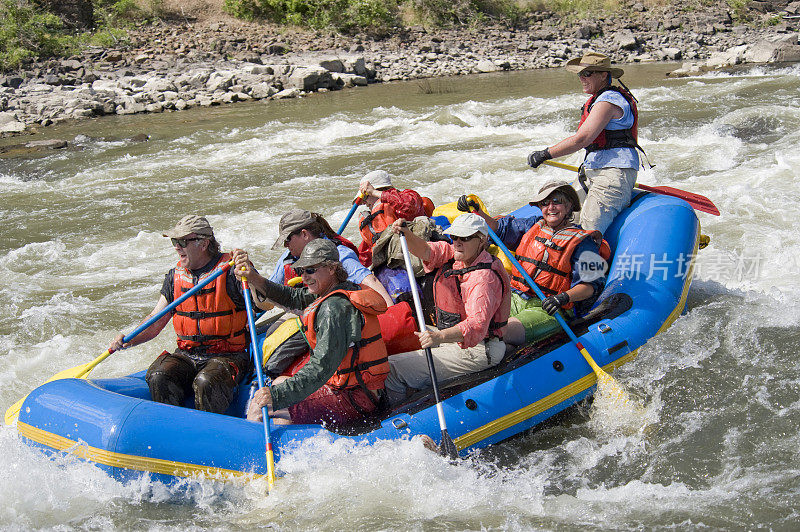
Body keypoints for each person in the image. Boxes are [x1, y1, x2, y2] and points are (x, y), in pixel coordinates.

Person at [233, 239, 390, 427]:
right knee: (280, 382)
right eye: (301, 271)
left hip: (354, 398)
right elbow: (292, 297)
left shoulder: (335, 309)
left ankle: (251, 448)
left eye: (310, 270)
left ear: (331, 268)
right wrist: (254, 278)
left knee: (261, 407)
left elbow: (321, 367)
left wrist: (277, 396)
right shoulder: (334, 290)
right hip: (346, 387)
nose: (304, 277)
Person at [109, 215, 253, 414]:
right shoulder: (174, 277)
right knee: (159, 374)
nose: (176, 247)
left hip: (228, 356)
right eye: (174, 241)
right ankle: (172, 430)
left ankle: (207, 433)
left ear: (203, 243)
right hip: (188, 355)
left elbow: (265, 303)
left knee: (206, 381)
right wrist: (128, 340)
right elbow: (155, 321)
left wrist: (250, 275)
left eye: (182, 242)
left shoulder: (231, 271)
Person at [383, 213, 511, 405]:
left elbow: (476, 326)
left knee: (392, 369)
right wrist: (407, 234)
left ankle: (396, 417)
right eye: (455, 237)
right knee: (396, 340)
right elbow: (426, 251)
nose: (458, 242)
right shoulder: (456, 255)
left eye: (465, 238)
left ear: (482, 240)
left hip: (478, 349)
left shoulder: (484, 278)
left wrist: (438, 337)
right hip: (454, 338)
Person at [463, 180, 609, 346]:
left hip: (550, 308)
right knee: (474, 322)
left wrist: (562, 298)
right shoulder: (532, 225)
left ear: (569, 205)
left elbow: (590, 286)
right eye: (545, 203)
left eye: (557, 201)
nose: (550, 207)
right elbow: (498, 228)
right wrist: (477, 211)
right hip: (514, 297)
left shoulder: (584, 242)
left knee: (495, 332)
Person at [527, 51, 646, 235]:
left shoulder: (609, 101)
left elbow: (582, 139)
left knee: (587, 230)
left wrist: (545, 153)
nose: (582, 77)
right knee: (565, 221)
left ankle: (590, 260)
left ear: (604, 75)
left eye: (588, 73)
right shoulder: (598, 99)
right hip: (593, 172)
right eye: (580, 73)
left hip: (613, 174)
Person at [259, 208, 393, 308]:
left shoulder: (338, 254)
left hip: (336, 312)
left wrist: (392, 315)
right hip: (303, 312)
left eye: (287, 239)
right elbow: (266, 302)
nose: (285, 245)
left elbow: (372, 282)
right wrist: (251, 275)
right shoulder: (287, 258)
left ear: (304, 234)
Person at [356, 170, 432, 268]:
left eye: (366, 196)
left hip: (417, 255)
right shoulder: (375, 219)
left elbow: (409, 205)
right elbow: (365, 253)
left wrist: (375, 193)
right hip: (392, 263)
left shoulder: (408, 196)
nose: (364, 202)